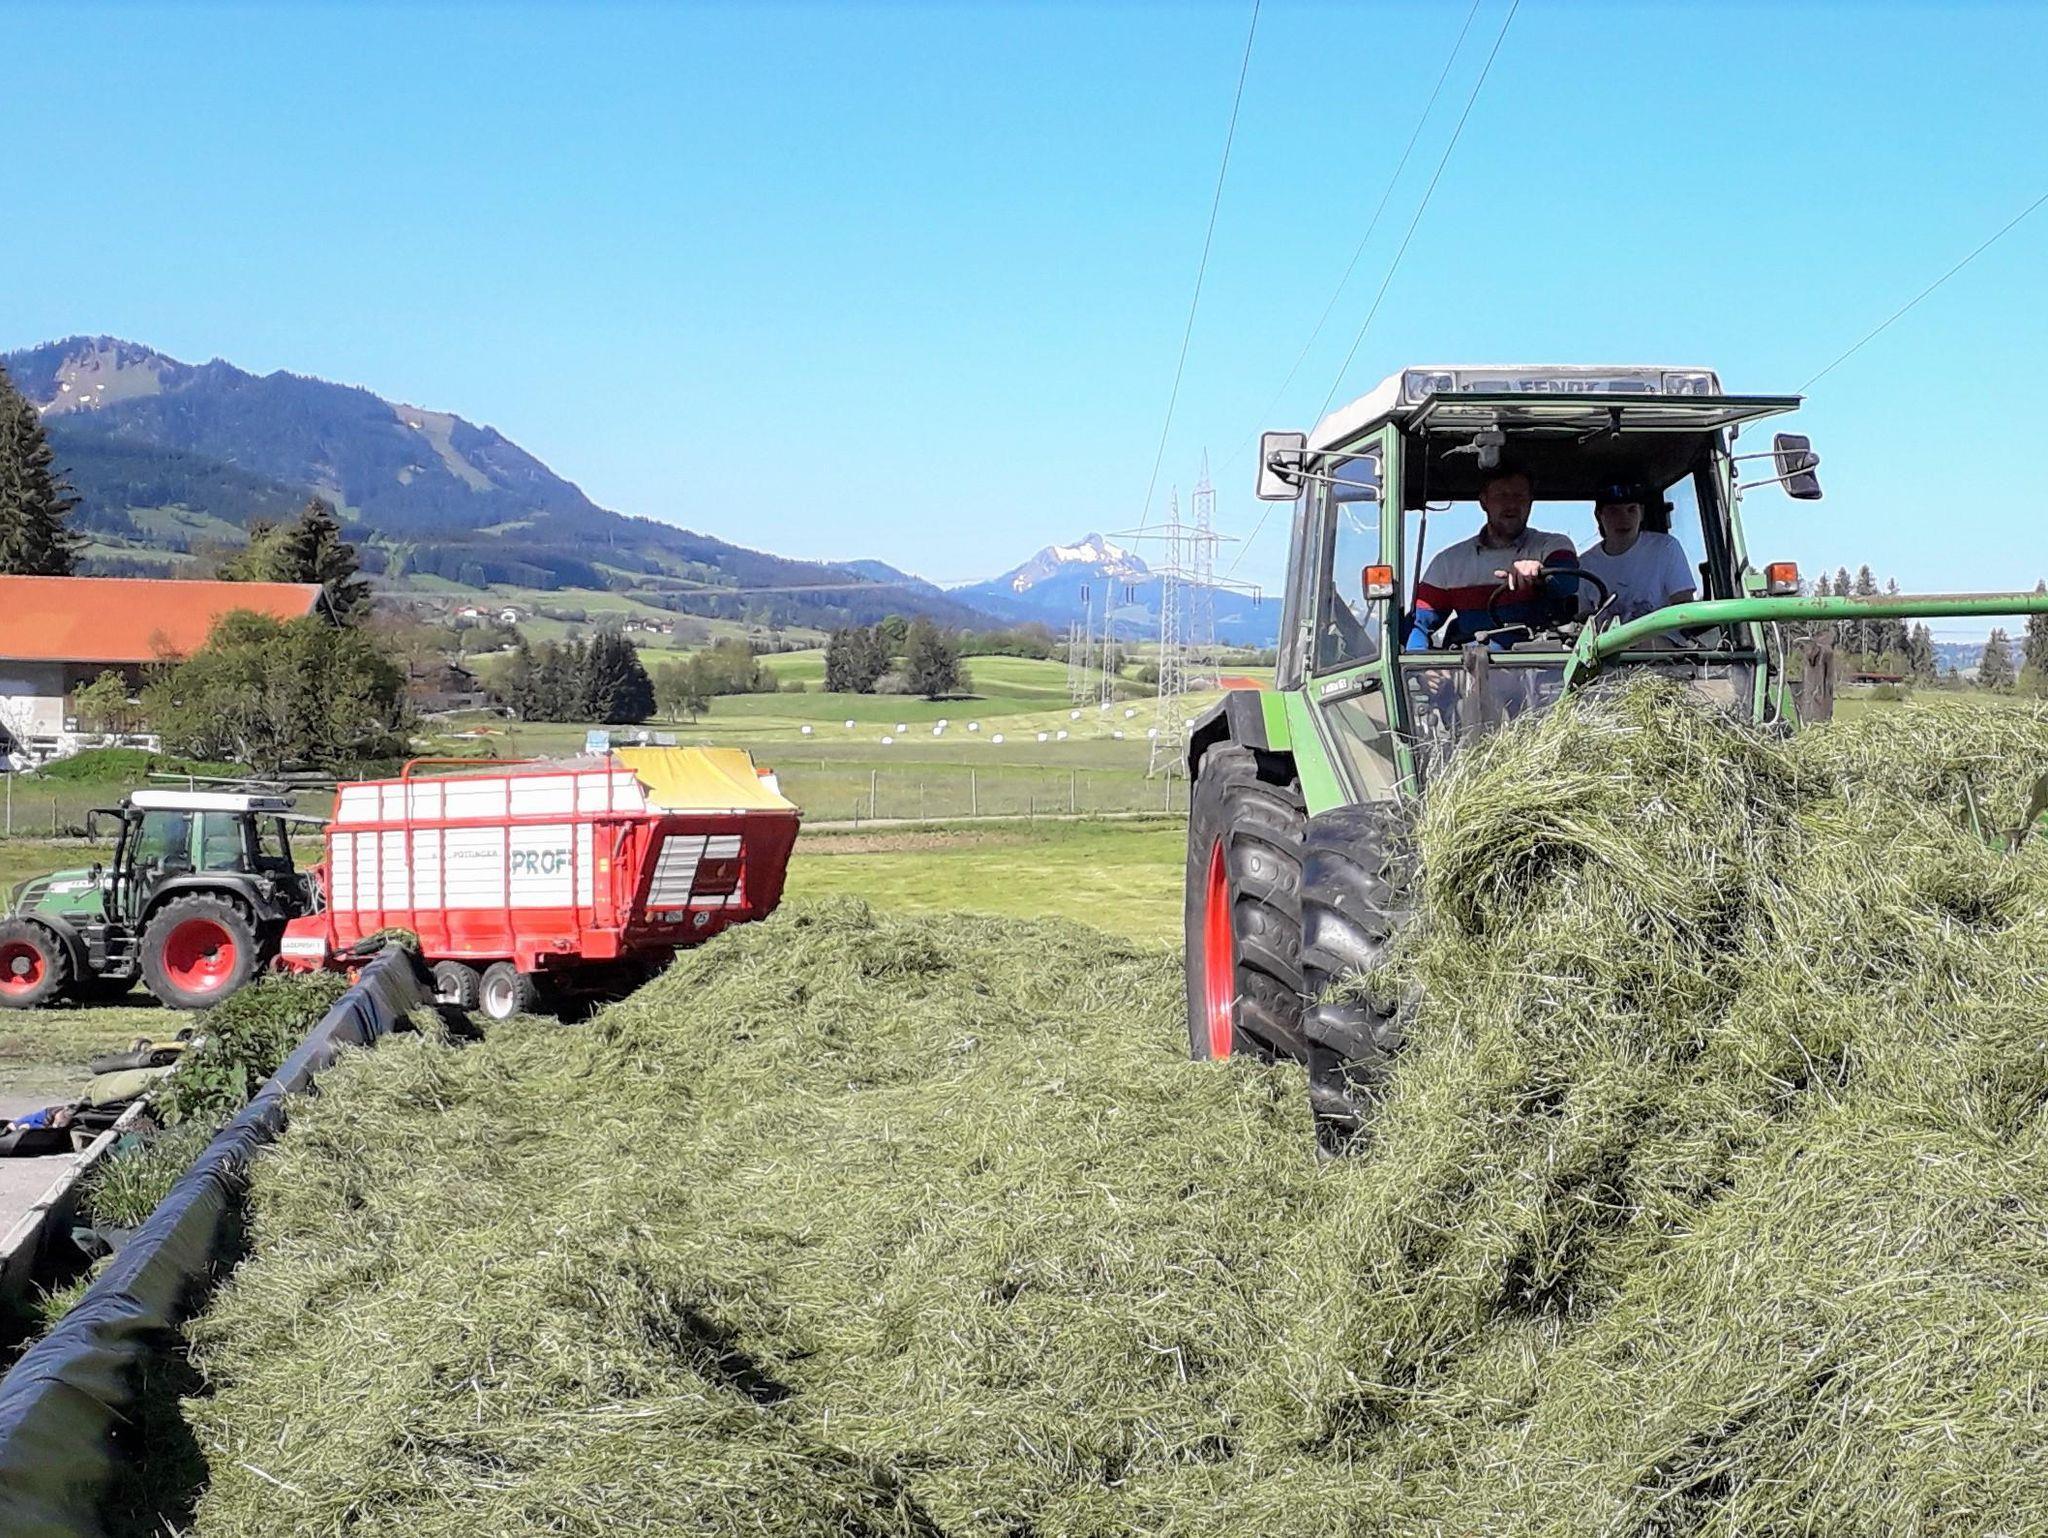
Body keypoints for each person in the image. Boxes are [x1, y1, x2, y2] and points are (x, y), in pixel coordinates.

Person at [1405, 467, 1578, 648]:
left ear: (1530, 501)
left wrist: (1540, 574)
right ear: (1483, 501)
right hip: (1472, 663)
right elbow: (1418, 626)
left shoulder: (1551, 546)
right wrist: (1422, 662)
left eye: (1519, 496)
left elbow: (1567, 583)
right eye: (1501, 496)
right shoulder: (1449, 564)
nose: (1511, 505)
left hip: (1543, 663)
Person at [1576, 481, 1696, 622]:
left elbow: (1684, 609)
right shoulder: (1585, 565)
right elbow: (1582, 619)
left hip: (1662, 635)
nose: (1624, 519)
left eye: (1631, 509)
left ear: (1642, 513)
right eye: (1614, 511)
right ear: (1599, 516)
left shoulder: (1665, 548)